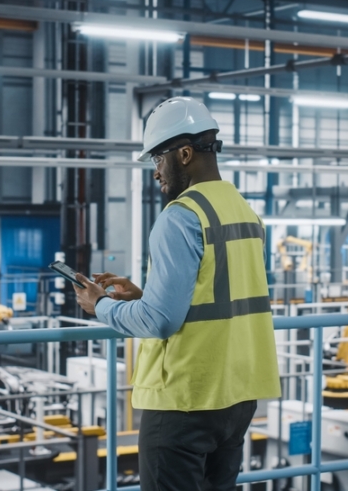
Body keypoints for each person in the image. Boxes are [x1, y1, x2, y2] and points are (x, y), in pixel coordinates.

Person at [72, 96, 281, 491]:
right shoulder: (244, 212)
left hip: (185, 399)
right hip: (237, 396)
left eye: (157, 159)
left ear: (184, 153)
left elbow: (160, 320)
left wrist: (99, 305)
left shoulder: (180, 217)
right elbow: (219, 294)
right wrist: (144, 295)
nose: (155, 172)